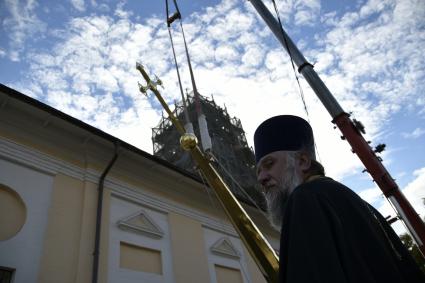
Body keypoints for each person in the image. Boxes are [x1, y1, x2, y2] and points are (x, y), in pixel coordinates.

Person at [254, 115, 425, 283]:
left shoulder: (304, 199)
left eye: (269, 164)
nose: (261, 178)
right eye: (258, 171)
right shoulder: (358, 202)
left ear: (303, 161)